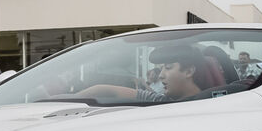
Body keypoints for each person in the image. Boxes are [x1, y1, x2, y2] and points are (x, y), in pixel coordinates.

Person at [77, 45, 219, 102]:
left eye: (168, 68)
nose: (161, 75)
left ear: (189, 71)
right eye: (161, 68)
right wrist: (65, 99)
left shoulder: (216, 103)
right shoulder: (160, 100)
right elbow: (103, 89)